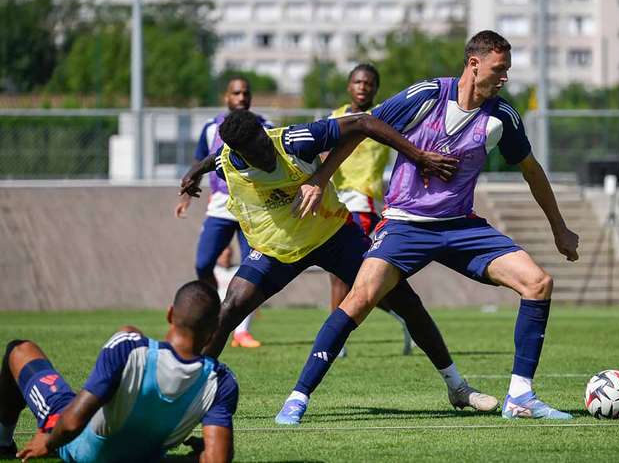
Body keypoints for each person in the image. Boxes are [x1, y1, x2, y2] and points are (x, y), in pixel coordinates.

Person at [278, 30, 580, 422]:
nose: (504, 78)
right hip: (404, 225)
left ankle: (520, 397)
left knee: (538, 283)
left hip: (461, 227)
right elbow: (364, 126)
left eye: (507, 70)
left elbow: (531, 170)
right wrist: (320, 178)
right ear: (474, 63)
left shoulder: (502, 116)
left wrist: (560, 227)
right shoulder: (427, 95)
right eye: (499, 69)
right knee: (358, 298)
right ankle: (298, 397)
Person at [178, 109, 498, 424]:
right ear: (241, 152)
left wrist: (418, 156)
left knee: (405, 300)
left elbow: (364, 122)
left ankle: (457, 386)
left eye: (264, 143)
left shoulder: (295, 141)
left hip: (334, 236)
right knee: (231, 308)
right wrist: (195, 170)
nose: (266, 152)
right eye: (257, 152)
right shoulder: (227, 163)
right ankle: (192, 396)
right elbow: (216, 157)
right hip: (279, 248)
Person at [0, 281, 238, 462]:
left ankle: (3, 441)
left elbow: (72, 423)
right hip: (145, 456)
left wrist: (49, 441)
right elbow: (218, 458)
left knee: (19, 349)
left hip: (83, 450)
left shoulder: (128, 347)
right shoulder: (221, 381)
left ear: (169, 313)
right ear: (215, 327)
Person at [175, 77, 268, 348]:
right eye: (236, 93)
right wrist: (186, 196)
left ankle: (241, 332)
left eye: (246, 93)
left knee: (252, 268)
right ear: (226, 97)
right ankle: (217, 314)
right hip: (220, 205)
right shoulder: (211, 127)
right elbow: (200, 161)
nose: (241, 97)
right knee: (203, 264)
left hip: (252, 206)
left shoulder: (264, 125)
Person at [326, 63, 412, 356]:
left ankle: (335, 340)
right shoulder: (335, 118)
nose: (363, 87)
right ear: (349, 86)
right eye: (358, 82)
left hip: (362, 205)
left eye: (369, 83)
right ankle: (405, 316)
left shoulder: (383, 117)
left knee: (345, 275)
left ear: (375, 88)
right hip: (335, 205)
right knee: (349, 276)